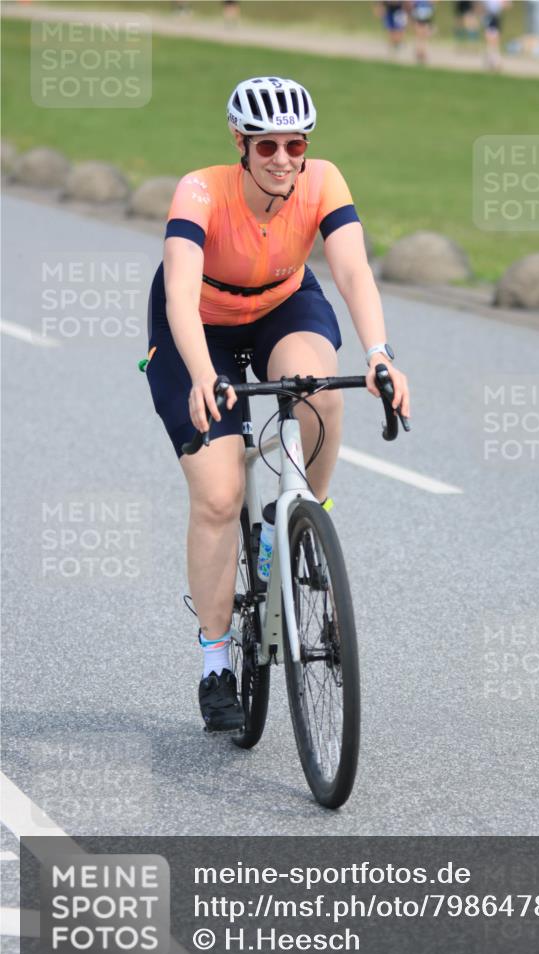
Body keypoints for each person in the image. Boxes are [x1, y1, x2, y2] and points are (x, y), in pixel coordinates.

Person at [144, 77, 410, 731]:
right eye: (268, 147)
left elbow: (351, 271)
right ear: (241, 143)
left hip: (281, 305)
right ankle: (215, 663)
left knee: (318, 393)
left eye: (296, 144)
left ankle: (297, 524)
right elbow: (179, 293)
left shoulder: (323, 181)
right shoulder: (201, 190)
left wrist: (379, 354)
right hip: (196, 325)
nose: (285, 158)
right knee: (217, 496)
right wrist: (205, 376)